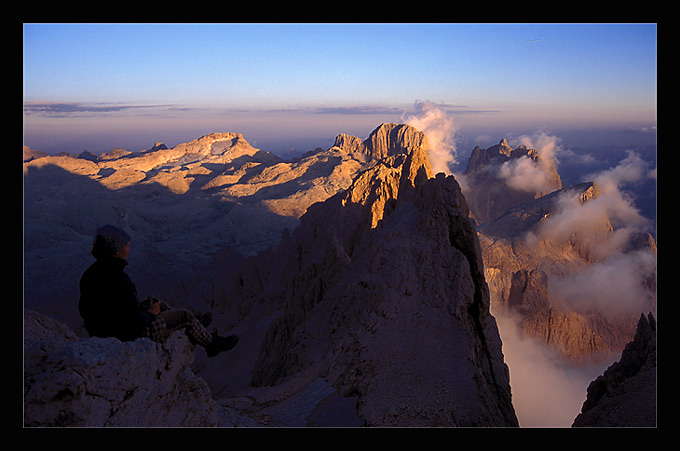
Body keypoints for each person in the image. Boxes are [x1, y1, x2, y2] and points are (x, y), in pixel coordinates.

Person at [78, 224, 238, 357]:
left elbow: (110, 311)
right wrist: (150, 314)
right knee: (184, 316)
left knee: (156, 303)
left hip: (106, 332)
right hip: (131, 336)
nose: (129, 250)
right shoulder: (117, 279)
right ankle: (211, 343)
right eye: (126, 246)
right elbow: (133, 322)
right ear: (115, 251)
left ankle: (197, 324)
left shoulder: (92, 273)